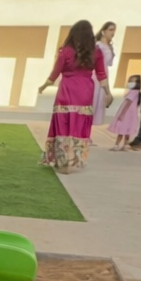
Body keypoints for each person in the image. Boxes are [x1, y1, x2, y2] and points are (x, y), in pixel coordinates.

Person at [37, 20, 107, 173]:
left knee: (63, 125)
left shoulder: (66, 51)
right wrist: (108, 93)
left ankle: (62, 163)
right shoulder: (96, 52)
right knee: (79, 127)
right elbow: (102, 75)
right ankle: (73, 161)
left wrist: (43, 86)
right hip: (85, 94)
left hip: (66, 93)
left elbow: (54, 74)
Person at [107, 75, 141, 150]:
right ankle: (124, 145)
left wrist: (122, 114)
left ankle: (116, 145)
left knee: (121, 129)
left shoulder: (133, 92)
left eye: (132, 81)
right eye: (130, 81)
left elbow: (128, 103)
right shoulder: (136, 92)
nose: (130, 83)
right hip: (131, 114)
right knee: (127, 129)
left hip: (126, 113)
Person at [92, 21, 116, 125]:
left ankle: (93, 127)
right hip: (96, 74)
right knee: (93, 100)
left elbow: (109, 63)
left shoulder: (109, 46)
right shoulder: (98, 45)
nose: (113, 32)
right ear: (103, 31)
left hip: (105, 73)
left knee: (101, 101)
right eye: (110, 29)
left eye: (114, 30)